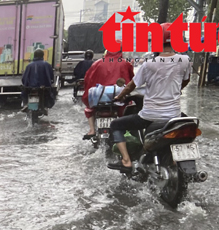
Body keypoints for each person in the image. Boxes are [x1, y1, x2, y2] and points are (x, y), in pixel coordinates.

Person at [107, 24, 190, 172]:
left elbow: (131, 86)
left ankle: (126, 161)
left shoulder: (149, 64)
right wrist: (176, 91)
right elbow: (185, 80)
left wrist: (119, 96)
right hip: (174, 115)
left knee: (115, 125)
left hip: (149, 116)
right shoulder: (184, 60)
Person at [81, 45, 133, 139]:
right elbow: (132, 80)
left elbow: (88, 79)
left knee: (90, 108)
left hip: (100, 97)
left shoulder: (97, 63)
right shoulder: (125, 63)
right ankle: (126, 131)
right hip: (119, 97)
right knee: (128, 108)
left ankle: (92, 130)